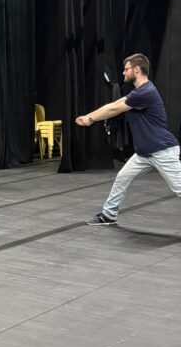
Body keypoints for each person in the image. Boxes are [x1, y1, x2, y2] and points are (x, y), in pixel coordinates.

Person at [76, 53, 181, 225]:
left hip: (162, 150)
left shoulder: (146, 92)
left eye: (126, 69)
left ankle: (108, 214)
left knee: (179, 188)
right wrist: (89, 116)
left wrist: (90, 119)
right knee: (122, 178)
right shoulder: (139, 92)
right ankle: (109, 215)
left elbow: (114, 109)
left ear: (137, 69)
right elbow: (114, 105)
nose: (123, 73)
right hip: (144, 153)